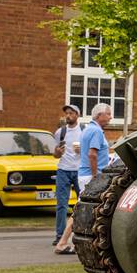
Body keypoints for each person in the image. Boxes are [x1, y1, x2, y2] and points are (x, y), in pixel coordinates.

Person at [55, 103, 112, 254]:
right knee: (81, 210)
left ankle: (75, 242)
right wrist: (96, 177)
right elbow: (92, 154)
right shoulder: (96, 131)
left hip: (84, 174)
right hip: (91, 176)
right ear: (100, 115)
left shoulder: (88, 129)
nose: (111, 117)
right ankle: (62, 243)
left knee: (85, 209)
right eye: (109, 114)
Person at [51, 104, 82, 246]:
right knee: (61, 205)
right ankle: (59, 235)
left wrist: (81, 150)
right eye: (66, 113)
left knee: (82, 204)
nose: (68, 116)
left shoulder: (84, 131)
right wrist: (58, 152)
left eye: (71, 113)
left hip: (80, 170)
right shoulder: (60, 132)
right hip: (63, 170)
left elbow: (91, 151)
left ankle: (81, 233)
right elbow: (55, 155)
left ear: (77, 115)